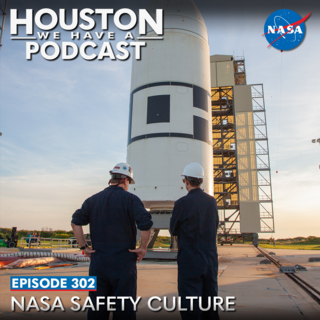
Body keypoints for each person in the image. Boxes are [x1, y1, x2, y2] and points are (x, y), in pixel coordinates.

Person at [71, 162, 153, 320]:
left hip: (99, 262)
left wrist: (84, 247)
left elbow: (75, 223)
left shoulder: (93, 200)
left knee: (97, 311)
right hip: (124, 263)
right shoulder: (131, 199)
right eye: (129, 182)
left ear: (112, 178)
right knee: (124, 311)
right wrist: (143, 248)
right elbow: (146, 224)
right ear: (125, 180)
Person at [170, 162, 220, 320]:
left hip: (189, 260)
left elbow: (173, 230)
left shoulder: (181, 203)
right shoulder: (212, 202)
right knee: (210, 305)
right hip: (210, 260)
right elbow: (215, 224)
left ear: (186, 181)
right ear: (202, 181)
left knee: (191, 307)